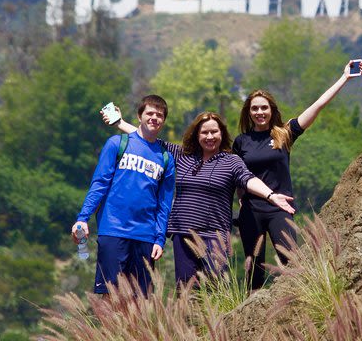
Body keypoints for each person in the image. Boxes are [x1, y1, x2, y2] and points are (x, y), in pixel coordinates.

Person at [107, 110, 295, 286]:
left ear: (222, 134)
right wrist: (119, 122)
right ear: (196, 135)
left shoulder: (230, 161)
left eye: (215, 132)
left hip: (215, 237)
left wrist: (270, 195)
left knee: (214, 290)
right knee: (186, 292)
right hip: (183, 235)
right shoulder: (182, 156)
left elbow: (248, 179)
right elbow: (149, 141)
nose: (210, 137)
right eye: (205, 132)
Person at [234, 59, 362, 289]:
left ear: (272, 110)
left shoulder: (284, 134)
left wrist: (344, 78)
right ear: (248, 112)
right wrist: (241, 198)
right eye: (254, 108)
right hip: (251, 212)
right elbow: (236, 174)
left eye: (264, 107)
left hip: (280, 209)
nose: (259, 112)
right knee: (253, 271)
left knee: (293, 265)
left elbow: (317, 106)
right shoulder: (241, 142)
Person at [73, 94, 176, 296]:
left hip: (145, 236)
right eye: (150, 113)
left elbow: (164, 204)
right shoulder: (117, 144)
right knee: (109, 295)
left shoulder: (166, 158)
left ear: (163, 120)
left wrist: (159, 239)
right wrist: (83, 218)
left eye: (160, 115)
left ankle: (131, 331)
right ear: (139, 116)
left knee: (139, 300)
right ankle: (108, 330)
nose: (155, 118)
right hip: (113, 230)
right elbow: (99, 184)